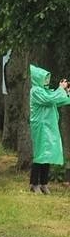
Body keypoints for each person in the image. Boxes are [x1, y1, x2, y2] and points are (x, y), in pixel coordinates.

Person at [28, 64, 70, 194]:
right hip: (40, 126)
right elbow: (50, 99)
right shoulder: (36, 91)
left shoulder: (45, 91)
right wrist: (60, 89)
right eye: (44, 78)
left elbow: (59, 100)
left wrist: (66, 92)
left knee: (47, 154)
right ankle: (34, 184)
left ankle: (44, 183)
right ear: (37, 78)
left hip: (48, 126)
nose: (46, 81)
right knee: (40, 154)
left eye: (47, 78)